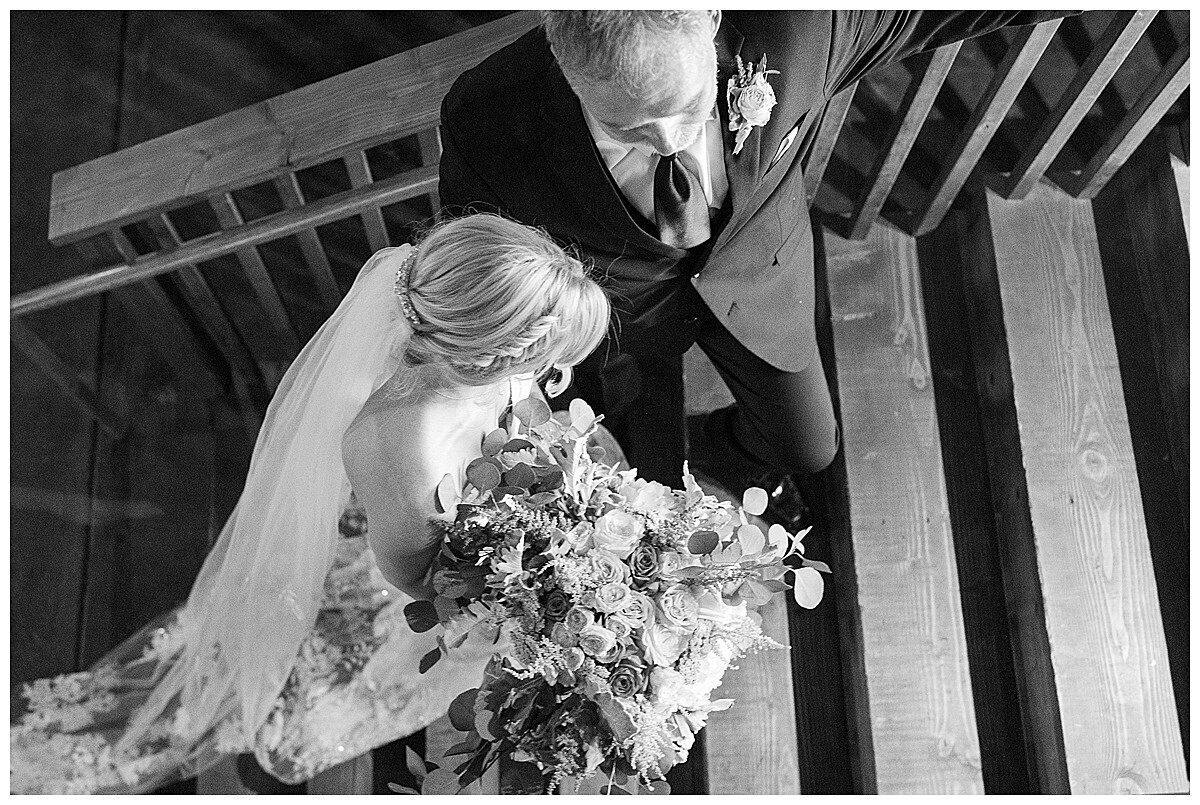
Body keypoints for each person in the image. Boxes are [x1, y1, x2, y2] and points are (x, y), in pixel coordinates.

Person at [10, 214, 611, 794]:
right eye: (546, 365)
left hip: (473, 525)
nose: (553, 378)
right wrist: (542, 582)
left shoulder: (470, 342)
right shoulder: (400, 443)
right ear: (491, 358)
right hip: (409, 575)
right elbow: (414, 579)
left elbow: (522, 416)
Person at [438, 9, 1072, 509]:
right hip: (614, 322)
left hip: (760, 283)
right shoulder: (489, 119)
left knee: (808, 448)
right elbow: (482, 261)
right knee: (630, 456)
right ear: (563, 63)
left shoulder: (793, 30)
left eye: (689, 108)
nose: (668, 142)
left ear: (712, 18)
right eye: (626, 125)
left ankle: (717, 448)